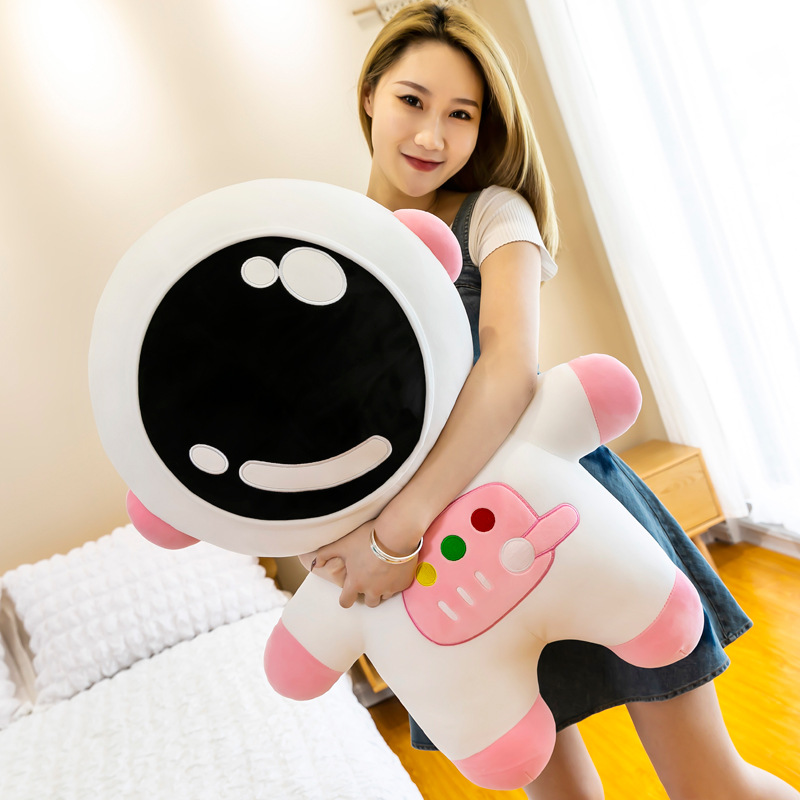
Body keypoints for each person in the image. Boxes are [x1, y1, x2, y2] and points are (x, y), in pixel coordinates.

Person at [307, 3, 799, 798]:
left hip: (565, 517)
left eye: (461, 114)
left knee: (711, 785)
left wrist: (394, 535)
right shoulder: (331, 246)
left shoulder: (494, 213)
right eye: (412, 100)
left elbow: (509, 370)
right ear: (369, 94)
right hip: (447, 568)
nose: (432, 134)